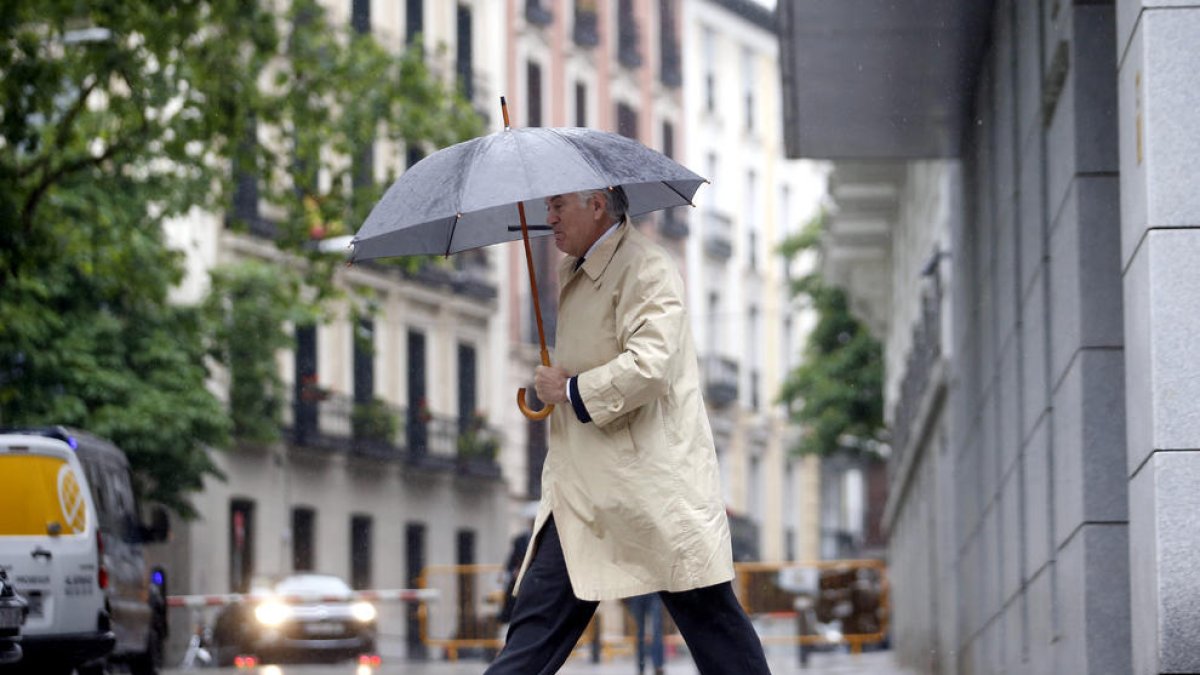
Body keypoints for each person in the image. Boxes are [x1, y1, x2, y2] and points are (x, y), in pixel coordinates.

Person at [484, 186, 770, 674]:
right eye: (547, 206)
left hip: (648, 489)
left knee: (715, 628)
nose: (547, 216)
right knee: (532, 635)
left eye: (558, 205)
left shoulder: (647, 267)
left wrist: (571, 390)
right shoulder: (572, 271)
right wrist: (561, 387)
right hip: (580, 493)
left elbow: (651, 365)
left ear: (596, 205)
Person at [624, 593, 665, 675]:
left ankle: (658, 666)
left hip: (654, 591)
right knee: (640, 631)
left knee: (656, 629)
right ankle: (641, 666)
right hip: (636, 592)